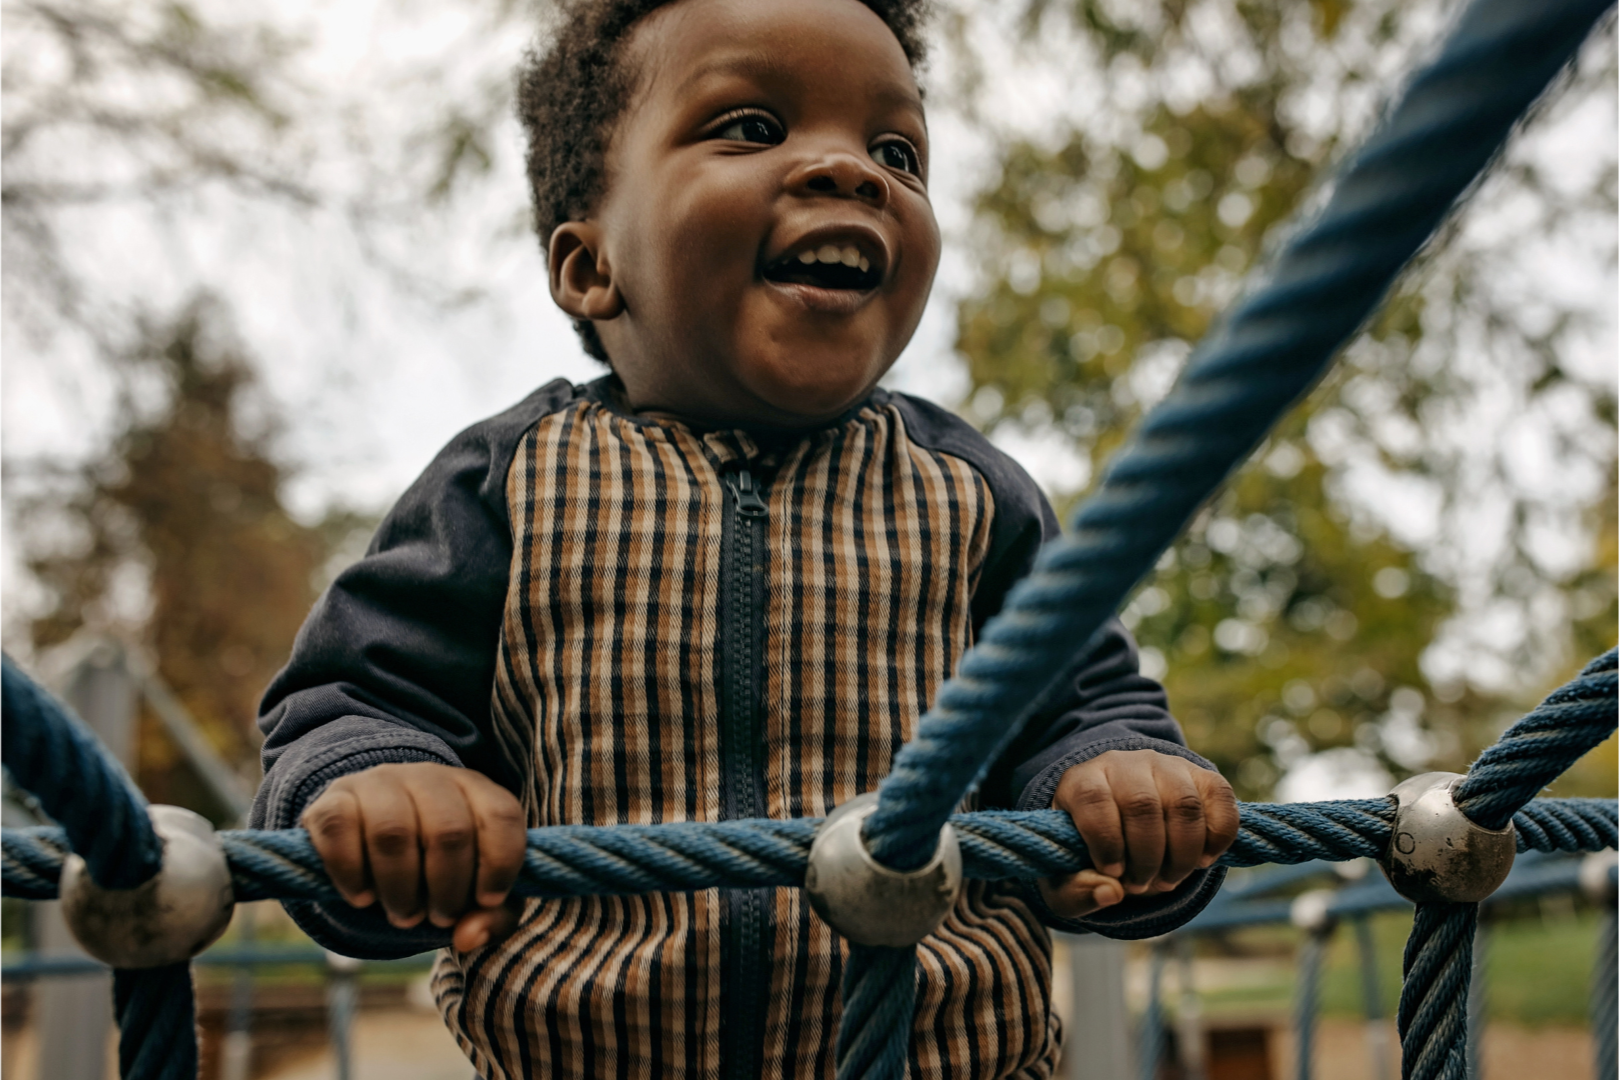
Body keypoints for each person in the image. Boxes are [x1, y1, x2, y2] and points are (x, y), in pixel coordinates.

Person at [250, 0, 1240, 1075]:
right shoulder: (505, 487)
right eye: (752, 127)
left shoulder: (970, 499)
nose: (852, 172)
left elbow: (1084, 706)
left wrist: (1114, 789)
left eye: (895, 150)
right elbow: (349, 705)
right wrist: (385, 785)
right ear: (590, 267)